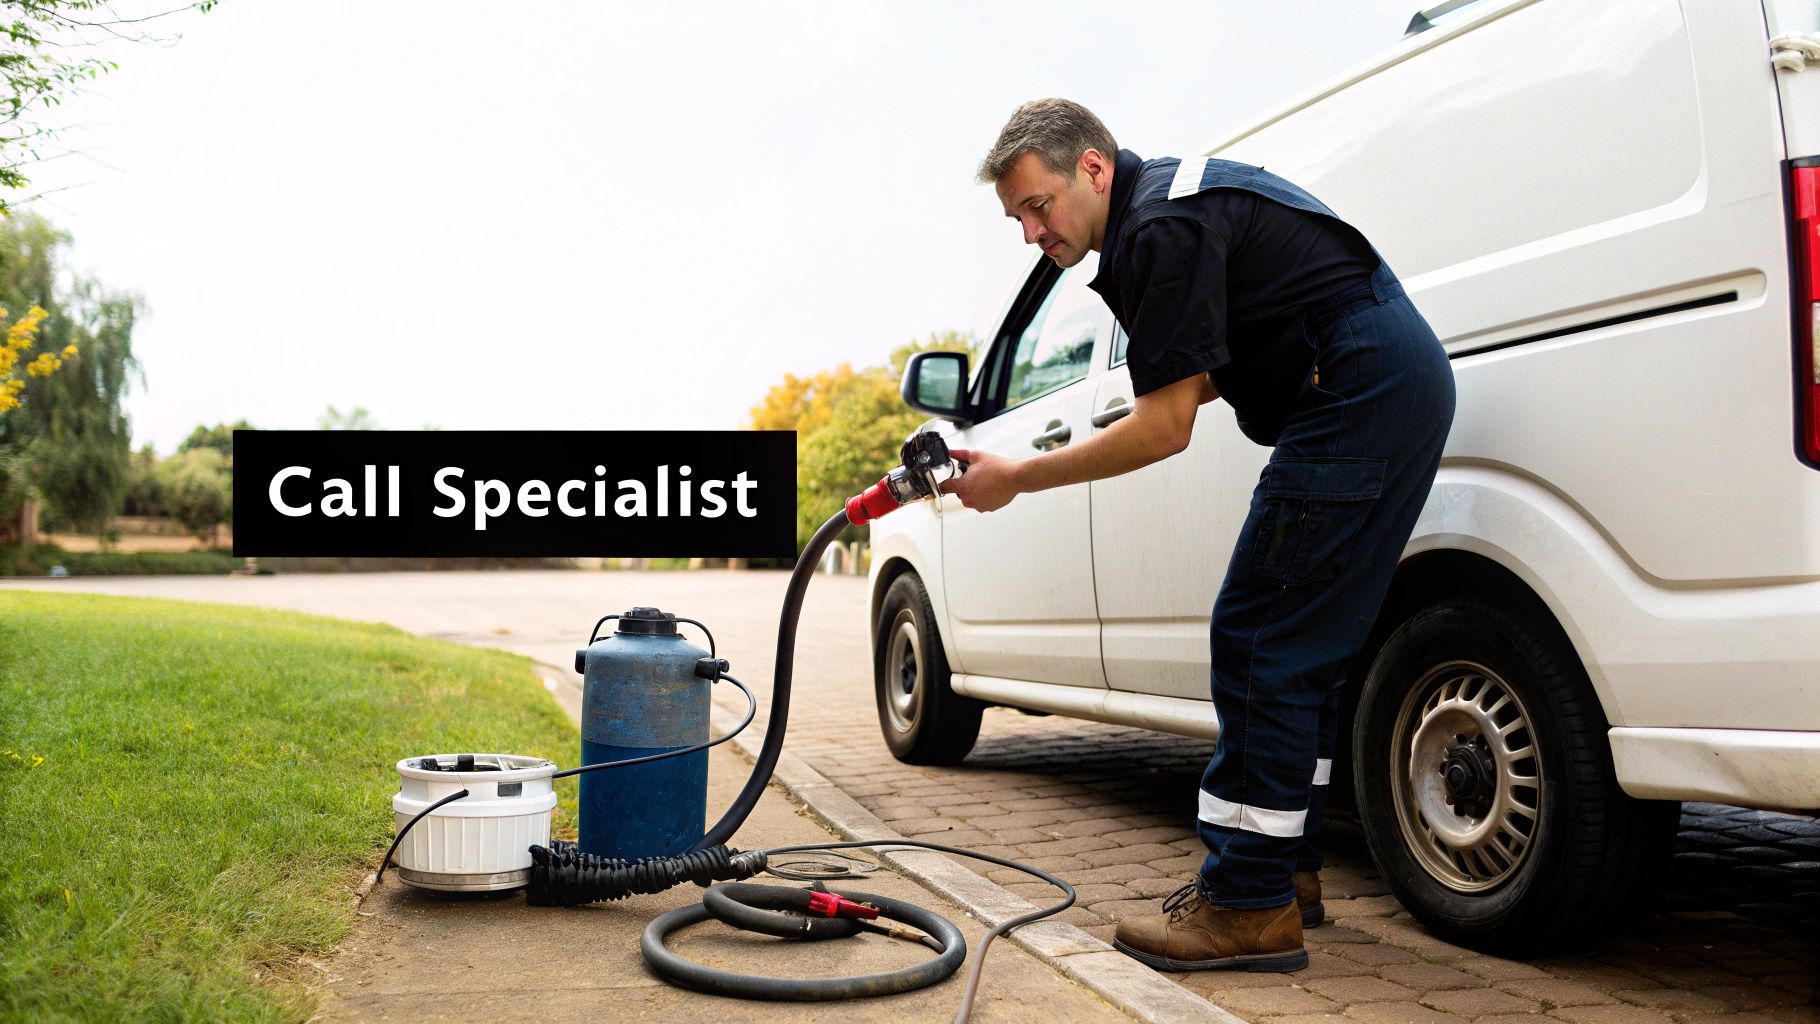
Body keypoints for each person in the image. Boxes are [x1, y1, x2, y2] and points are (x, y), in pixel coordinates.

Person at [942, 98, 1456, 972]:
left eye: (1039, 206)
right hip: (1384, 377)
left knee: (1258, 637)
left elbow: (1165, 426)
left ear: (1094, 169)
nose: (1031, 232)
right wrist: (1155, 394)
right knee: (1305, 648)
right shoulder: (1170, 208)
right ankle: (1282, 877)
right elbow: (1208, 370)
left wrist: (1016, 476)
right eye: (1017, 217)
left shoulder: (1158, 230)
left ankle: (1244, 905)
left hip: (1358, 386)